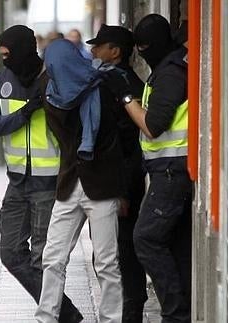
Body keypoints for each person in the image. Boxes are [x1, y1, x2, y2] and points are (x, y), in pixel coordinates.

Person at [0, 25, 83, 323]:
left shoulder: (52, 77)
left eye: (8, 54)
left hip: (48, 183)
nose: (5, 60)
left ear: (26, 50)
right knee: (11, 253)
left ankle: (53, 315)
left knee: (44, 259)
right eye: (2, 55)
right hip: (16, 182)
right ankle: (65, 312)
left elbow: (73, 127)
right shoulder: (4, 79)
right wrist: (24, 113)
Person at [35, 39, 125, 323]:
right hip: (69, 184)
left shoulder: (103, 86)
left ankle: (111, 319)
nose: (53, 70)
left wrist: (123, 190)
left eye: (57, 65)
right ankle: (46, 317)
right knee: (53, 257)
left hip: (102, 185)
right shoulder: (50, 92)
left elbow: (120, 141)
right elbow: (65, 139)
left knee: (107, 262)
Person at [109, 14, 192, 323]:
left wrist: (126, 96)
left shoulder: (170, 74)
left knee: (145, 238)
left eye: (143, 46)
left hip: (172, 173)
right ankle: (182, 309)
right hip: (172, 171)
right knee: (178, 244)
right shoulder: (170, 66)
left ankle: (175, 314)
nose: (140, 52)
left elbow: (153, 126)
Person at [87, 24, 147, 322]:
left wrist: (123, 191)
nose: (93, 50)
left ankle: (131, 309)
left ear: (116, 51)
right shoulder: (111, 79)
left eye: (100, 46)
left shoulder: (121, 84)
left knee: (120, 251)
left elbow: (128, 144)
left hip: (121, 182)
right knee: (111, 252)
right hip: (113, 180)